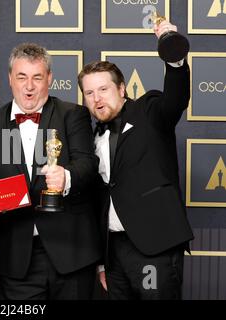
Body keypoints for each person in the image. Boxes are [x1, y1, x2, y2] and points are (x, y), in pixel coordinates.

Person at [0, 43, 102, 300]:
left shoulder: (74, 114)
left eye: (37, 77)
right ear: (9, 79)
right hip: (17, 258)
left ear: (49, 78)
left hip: (71, 253)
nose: (29, 86)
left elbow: (87, 164)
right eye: (21, 77)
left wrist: (67, 177)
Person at [77, 21, 194, 299]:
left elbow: (175, 100)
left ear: (122, 89)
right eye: (89, 93)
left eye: (103, 90)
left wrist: (173, 54)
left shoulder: (149, 111)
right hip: (113, 252)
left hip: (154, 246)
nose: (96, 99)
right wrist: (103, 260)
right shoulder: (88, 134)